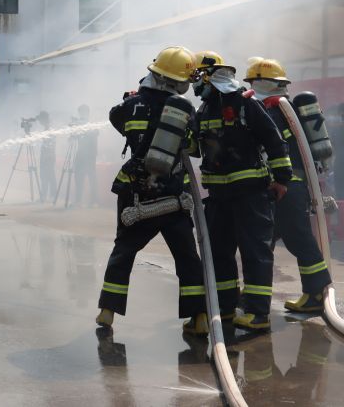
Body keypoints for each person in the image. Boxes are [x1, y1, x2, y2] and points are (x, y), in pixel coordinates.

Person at [96, 46, 208, 336]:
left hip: (137, 194)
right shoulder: (185, 109)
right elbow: (194, 148)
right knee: (187, 257)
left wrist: (134, 100)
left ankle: (107, 310)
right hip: (173, 195)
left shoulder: (132, 105)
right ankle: (199, 317)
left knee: (124, 251)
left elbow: (116, 118)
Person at [192, 51, 292, 331]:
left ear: (209, 78)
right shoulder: (204, 110)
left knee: (254, 252)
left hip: (251, 194)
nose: (194, 84)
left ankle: (258, 313)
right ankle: (225, 307)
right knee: (219, 252)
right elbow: (195, 148)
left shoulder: (246, 104)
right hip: (218, 197)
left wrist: (282, 179)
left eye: (197, 78)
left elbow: (274, 141)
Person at [244, 58, 332, 312]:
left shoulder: (272, 112)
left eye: (252, 83)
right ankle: (253, 295)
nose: (250, 88)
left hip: (285, 187)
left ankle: (316, 292)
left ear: (261, 83)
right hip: (283, 186)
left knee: (298, 240)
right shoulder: (286, 109)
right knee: (263, 242)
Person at [74, 104, 98, 207]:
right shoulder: (79, 124)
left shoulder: (92, 124)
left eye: (82, 112)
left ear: (87, 112)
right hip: (80, 154)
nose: (81, 114)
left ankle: (94, 201)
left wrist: (83, 128)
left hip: (90, 155)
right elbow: (74, 137)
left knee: (92, 178)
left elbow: (95, 133)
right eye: (80, 112)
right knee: (78, 177)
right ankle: (78, 201)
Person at [37, 111, 57, 202]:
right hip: (48, 155)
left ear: (43, 119)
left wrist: (46, 155)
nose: (39, 122)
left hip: (48, 156)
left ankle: (46, 196)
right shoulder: (48, 127)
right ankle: (50, 195)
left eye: (40, 119)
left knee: (46, 176)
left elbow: (51, 144)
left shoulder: (49, 128)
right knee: (49, 175)